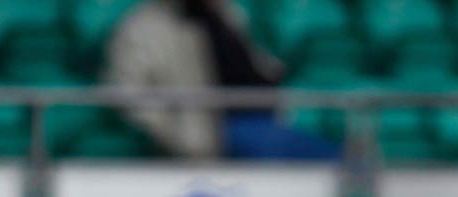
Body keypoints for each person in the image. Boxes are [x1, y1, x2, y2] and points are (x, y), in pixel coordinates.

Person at [105, 0, 338, 160]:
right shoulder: (143, 26)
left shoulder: (229, 13)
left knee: (345, 152)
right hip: (212, 129)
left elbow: (259, 67)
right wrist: (176, 135)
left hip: (262, 116)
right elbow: (127, 93)